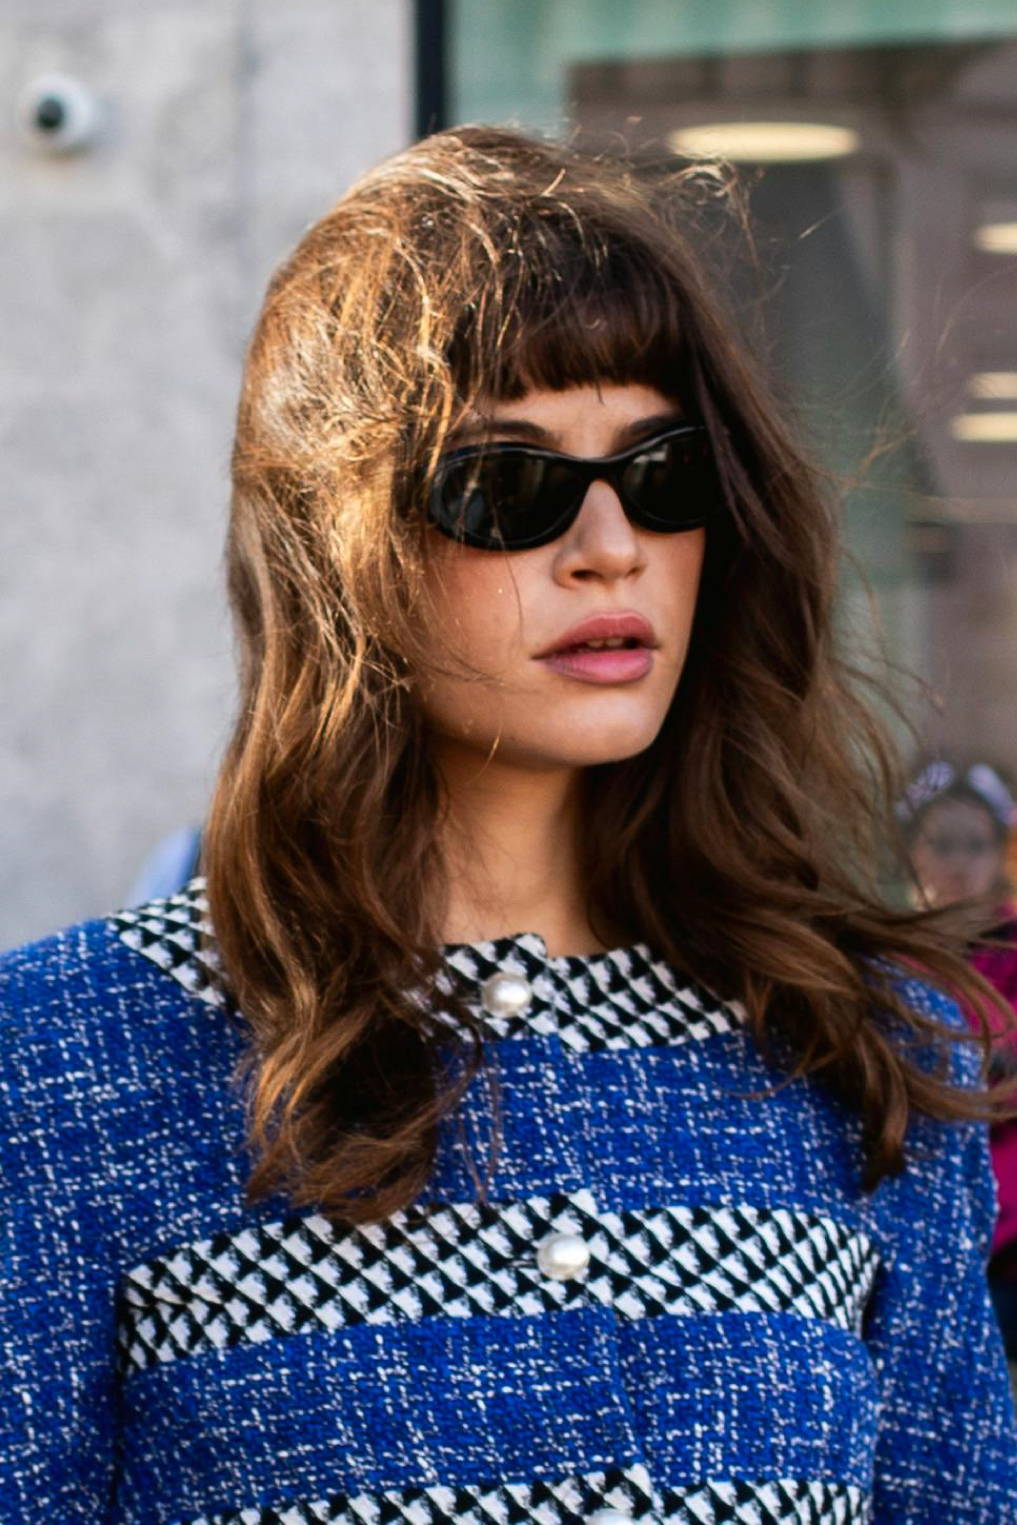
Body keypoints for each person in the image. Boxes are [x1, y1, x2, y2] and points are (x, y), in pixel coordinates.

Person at [1, 126, 1015, 1525]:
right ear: (339, 552)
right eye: (508, 486)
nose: (609, 546)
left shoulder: (859, 1049)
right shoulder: (69, 1063)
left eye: (662, 476)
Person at [901, 759, 1017, 1357]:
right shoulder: (889, 958)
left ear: (1001, 853)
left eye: (976, 844)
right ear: (910, 851)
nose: (958, 863)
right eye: (940, 842)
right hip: (922, 1222)